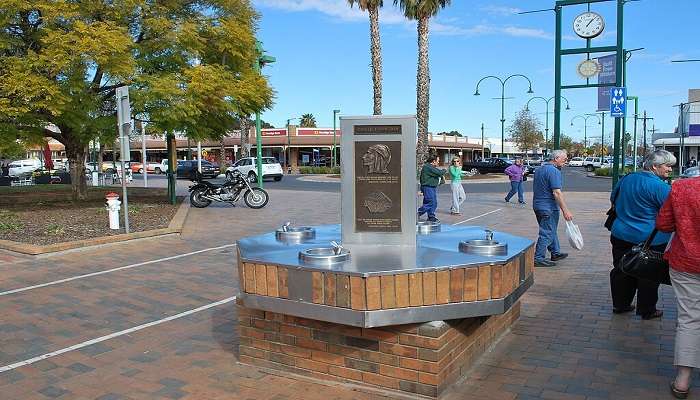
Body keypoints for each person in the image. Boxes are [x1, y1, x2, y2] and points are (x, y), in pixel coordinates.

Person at [609, 150, 675, 320]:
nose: (670, 170)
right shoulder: (661, 187)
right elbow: (671, 212)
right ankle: (647, 310)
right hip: (651, 239)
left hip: (620, 233)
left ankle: (621, 305)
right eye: (667, 166)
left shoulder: (626, 178)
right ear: (655, 166)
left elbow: (613, 199)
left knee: (622, 268)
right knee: (649, 275)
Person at [656, 175, 700, 399]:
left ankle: (683, 380)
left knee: (690, 319)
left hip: (687, 262)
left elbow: (663, 224)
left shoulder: (682, 187)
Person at [532, 149, 573, 268]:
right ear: (556, 159)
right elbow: (557, 193)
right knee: (547, 232)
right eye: (564, 159)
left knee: (550, 228)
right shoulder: (554, 171)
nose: (566, 161)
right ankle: (538, 257)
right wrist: (566, 210)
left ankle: (555, 252)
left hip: (538, 205)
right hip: (548, 207)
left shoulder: (539, 169)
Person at [417, 155, 445, 223]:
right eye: (438, 161)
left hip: (431, 187)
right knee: (430, 202)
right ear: (433, 161)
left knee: (434, 203)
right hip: (427, 187)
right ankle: (417, 214)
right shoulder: (428, 167)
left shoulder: (431, 167)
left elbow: (437, 175)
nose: (438, 162)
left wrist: (441, 179)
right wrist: (445, 170)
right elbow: (439, 173)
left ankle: (431, 216)